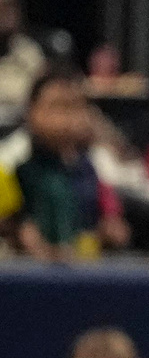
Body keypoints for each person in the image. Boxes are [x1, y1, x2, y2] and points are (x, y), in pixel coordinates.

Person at [16, 70, 130, 261]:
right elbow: (18, 227)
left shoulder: (91, 165)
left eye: (75, 107)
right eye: (57, 107)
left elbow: (112, 218)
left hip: (82, 273)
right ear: (32, 110)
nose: (67, 119)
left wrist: (109, 230)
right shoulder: (14, 163)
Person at [0, 0, 46, 130]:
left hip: (23, 131)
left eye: (11, 6)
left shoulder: (29, 52)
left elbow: (43, 98)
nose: (7, 14)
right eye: (1, 6)